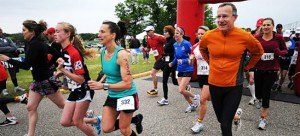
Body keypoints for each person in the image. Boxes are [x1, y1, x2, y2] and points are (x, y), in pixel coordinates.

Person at [199, 3, 264, 136]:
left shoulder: (244, 36)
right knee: (220, 119)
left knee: (224, 124)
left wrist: (246, 67)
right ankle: (237, 116)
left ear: (234, 17)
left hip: (233, 86)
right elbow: (202, 49)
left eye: (225, 16)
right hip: (214, 84)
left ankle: (231, 120)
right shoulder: (209, 35)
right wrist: (210, 62)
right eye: (218, 16)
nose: (220, 20)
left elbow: (258, 52)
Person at [0, 20, 65, 136]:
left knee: (63, 106)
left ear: (32, 31)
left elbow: (26, 66)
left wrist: (8, 59)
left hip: (46, 81)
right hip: (38, 81)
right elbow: (55, 54)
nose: (22, 32)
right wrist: (49, 65)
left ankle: (87, 117)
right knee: (30, 107)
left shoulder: (36, 44)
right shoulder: (31, 43)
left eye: (24, 30)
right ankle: (31, 134)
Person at [88, 21, 143, 136]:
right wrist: (98, 82)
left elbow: (127, 84)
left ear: (113, 35)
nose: (99, 35)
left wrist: (103, 86)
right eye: (99, 31)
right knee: (106, 128)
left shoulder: (121, 55)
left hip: (127, 95)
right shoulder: (103, 52)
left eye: (102, 32)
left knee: (124, 129)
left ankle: (129, 122)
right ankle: (135, 120)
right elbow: (107, 73)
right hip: (113, 95)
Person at [53, 22, 96, 136]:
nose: (54, 34)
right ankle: (96, 121)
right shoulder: (64, 50)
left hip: (84, 89)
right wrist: (59, 73)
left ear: (68, 34)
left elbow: (81, 79)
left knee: (78, 122)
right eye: (54, 31)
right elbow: (70, 68)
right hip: (75, 90)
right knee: (65, 122)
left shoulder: (73, 52)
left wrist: (63, 70)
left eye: (58, 31)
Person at [253, 18, 288, 130]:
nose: (266, 27)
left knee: (266, 92)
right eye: (264, 25)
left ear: (272, 26)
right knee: (258, 92)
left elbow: (285, 51)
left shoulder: (278, 38)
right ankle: (258, 99)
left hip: (272, 70)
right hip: (259, 69)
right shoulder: (257, 38)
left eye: (268, 25)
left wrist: (279, 52)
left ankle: (263, 119)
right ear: (261, 27)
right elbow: (251, 49)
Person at [169, 26, 200, 113]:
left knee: (181, 90)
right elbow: (176, 57)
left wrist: (183, 61)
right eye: (175, 33)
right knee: (182, 91)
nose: (175, 35)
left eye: (177, 33)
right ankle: (191, 104)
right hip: (179, 69)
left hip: (188, 69)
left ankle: (196, 97)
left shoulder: (186, 44)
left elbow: (192, 57)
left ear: (182, 34)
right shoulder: (174, 44)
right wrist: (172, 63)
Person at [157, 25, 178, 106]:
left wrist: (167, 54)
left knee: (174, 81)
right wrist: (164, 55)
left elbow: (176, 52)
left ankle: (186, 87)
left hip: (173, 63)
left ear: (170, 32)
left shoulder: (173, 40)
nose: (164, 33)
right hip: (166, 63)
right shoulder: (166, 41)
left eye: (166, 32)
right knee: (164, 81)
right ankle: (165, 99)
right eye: (164, 32)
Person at [0, 28, 26, 95]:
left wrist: (3, 49)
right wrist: (9, 48)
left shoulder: (8, 39)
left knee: (13, 74)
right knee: (3, 75)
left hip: (10, 58)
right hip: (1, 59)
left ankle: (16, 87)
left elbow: (14, 47)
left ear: (1, 32)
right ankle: (4, 89)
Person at [144, 26, 166, 96]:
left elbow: (169, 42)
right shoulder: (149, 40)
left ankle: (155, 90)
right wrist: (145, 49)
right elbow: (148, 48)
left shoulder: (159, 37)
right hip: (157, 58)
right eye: (146, 31)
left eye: (148, 31)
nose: (147, 33)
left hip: (162, 58)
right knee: (171, 74)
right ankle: (186, 86)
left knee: (153, 73)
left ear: (152, 31)